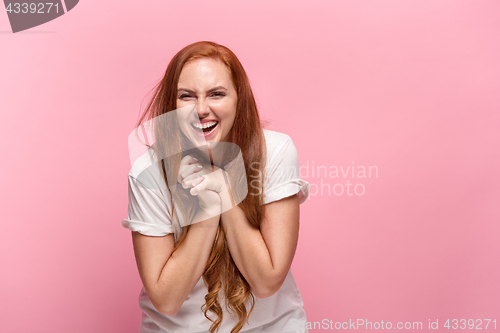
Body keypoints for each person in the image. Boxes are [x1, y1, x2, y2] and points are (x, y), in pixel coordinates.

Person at [122, 41, 310, 333]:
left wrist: (226, 191)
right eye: (186, 96)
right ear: (172, 104)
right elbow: (167, 300)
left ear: (239, 99)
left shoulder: (275, 151)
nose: (200, 109)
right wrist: (208, 207)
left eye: (216, 94)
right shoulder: (148, 172)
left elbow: (266, 282)